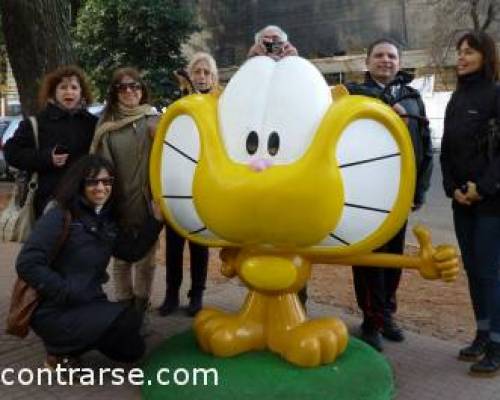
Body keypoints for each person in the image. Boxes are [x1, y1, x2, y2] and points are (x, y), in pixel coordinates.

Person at [15, 155, 163, 369]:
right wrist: (66, 290)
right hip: (54, 310)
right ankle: (59, 351)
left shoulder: (107, 221)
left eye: (107, 182)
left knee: (133, 343)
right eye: (93, 182)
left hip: (87, 302)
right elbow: (27, 263)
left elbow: (131, 252)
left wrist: (155, 222)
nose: (101, 187)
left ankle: (73, 346)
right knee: (126, 324)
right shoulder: (60, 215)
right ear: (80, 184)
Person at [346, 38, 433, 351]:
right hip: (365, 194)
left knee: (394, 257)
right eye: (379, 55)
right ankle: (371, 320)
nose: (386, 60)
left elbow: (424, 145)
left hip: (399, 193)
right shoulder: (354, 95)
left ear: (400, 62)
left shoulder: (412, 97)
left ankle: (387, 315)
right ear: (367, 62)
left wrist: (420, 189)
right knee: (369, 258)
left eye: (392, 56)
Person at [440, 31, 500, 376]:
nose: (461, 57)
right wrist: (453, 188)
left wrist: (484, 187)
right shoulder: (456, 99)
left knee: (490, 273)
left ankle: (496, 343)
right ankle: (481, 333)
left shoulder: (495, 94)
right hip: (462, 200)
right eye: (459, 51)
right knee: (474, 271)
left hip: (492, 202)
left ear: (485, 56)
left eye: (469, 52)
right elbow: (446, 150)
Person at [91, 67, 159, 320]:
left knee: (147, 259)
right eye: (123, 87)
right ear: (115, 93)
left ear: (142, 91)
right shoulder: (107, 126)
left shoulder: (153, 119)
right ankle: (124, 308)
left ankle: (140, 308)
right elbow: (102, 168)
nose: (130, 91)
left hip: (149, 202)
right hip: (118, 202)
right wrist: (109, 203)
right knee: (121, 259)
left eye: (135, 86)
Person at [158, 52, 219, 317]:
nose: (202, 76)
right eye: (197, 72)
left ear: (213, 76)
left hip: (205, 182)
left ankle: (197, 295)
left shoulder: (220, 104)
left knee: (199, 244)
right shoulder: (180, 103)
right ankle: (172, 294)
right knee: (173, 244)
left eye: (206, 72)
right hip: (179, 181)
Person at [5, 65, 97, 218]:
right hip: (48, 202)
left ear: (82, 93)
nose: (69, 92)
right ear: (54, 92)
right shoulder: (37, 123)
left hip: (85, 200)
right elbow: (11, 152)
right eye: (63, 87)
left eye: (74, 87)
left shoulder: (92, 123)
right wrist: (46, 158)